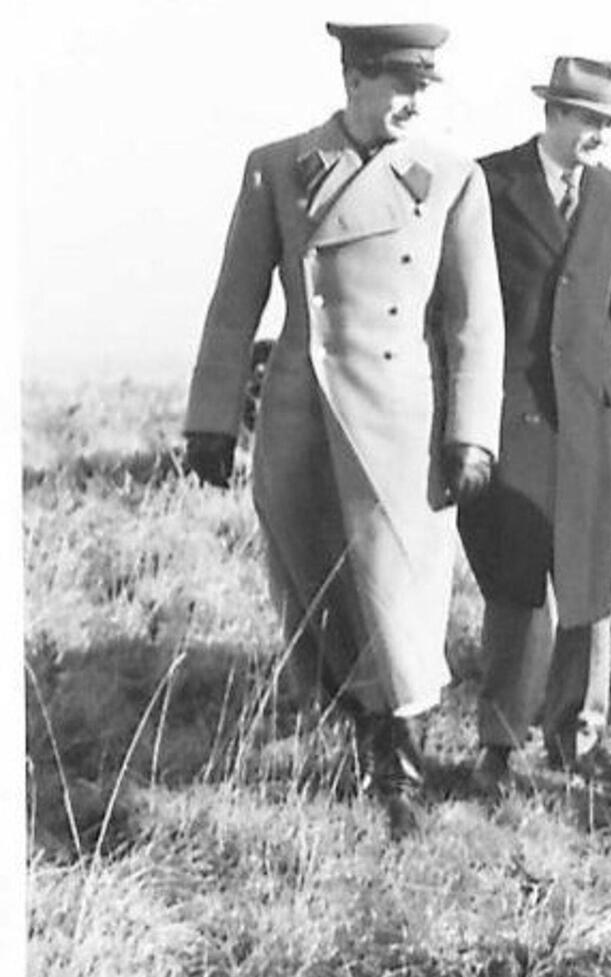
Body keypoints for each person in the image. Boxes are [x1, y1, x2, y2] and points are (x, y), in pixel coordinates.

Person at [183, 23, 504, 838]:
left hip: (403, 426)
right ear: (354, 77)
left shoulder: (452, 178)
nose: (414, 103)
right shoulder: (277, 168)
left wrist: (472, 433)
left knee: (399, 598)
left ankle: (398, 765)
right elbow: (234, 306)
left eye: (423, 88)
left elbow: (474, 321)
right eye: (400, 86)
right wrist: (211, 421)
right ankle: (362, 742)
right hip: (302, 419)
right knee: (318, 596)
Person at [457, 57, 611, 793]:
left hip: (591, 426)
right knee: (514, 587)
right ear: (552, 114)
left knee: (586, 587)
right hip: (511, 421)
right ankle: (498, 743)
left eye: (608, 123)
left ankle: (577, 739)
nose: (599, 134)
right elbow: (456, 303)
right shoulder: (488, 184)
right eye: (588, 120)